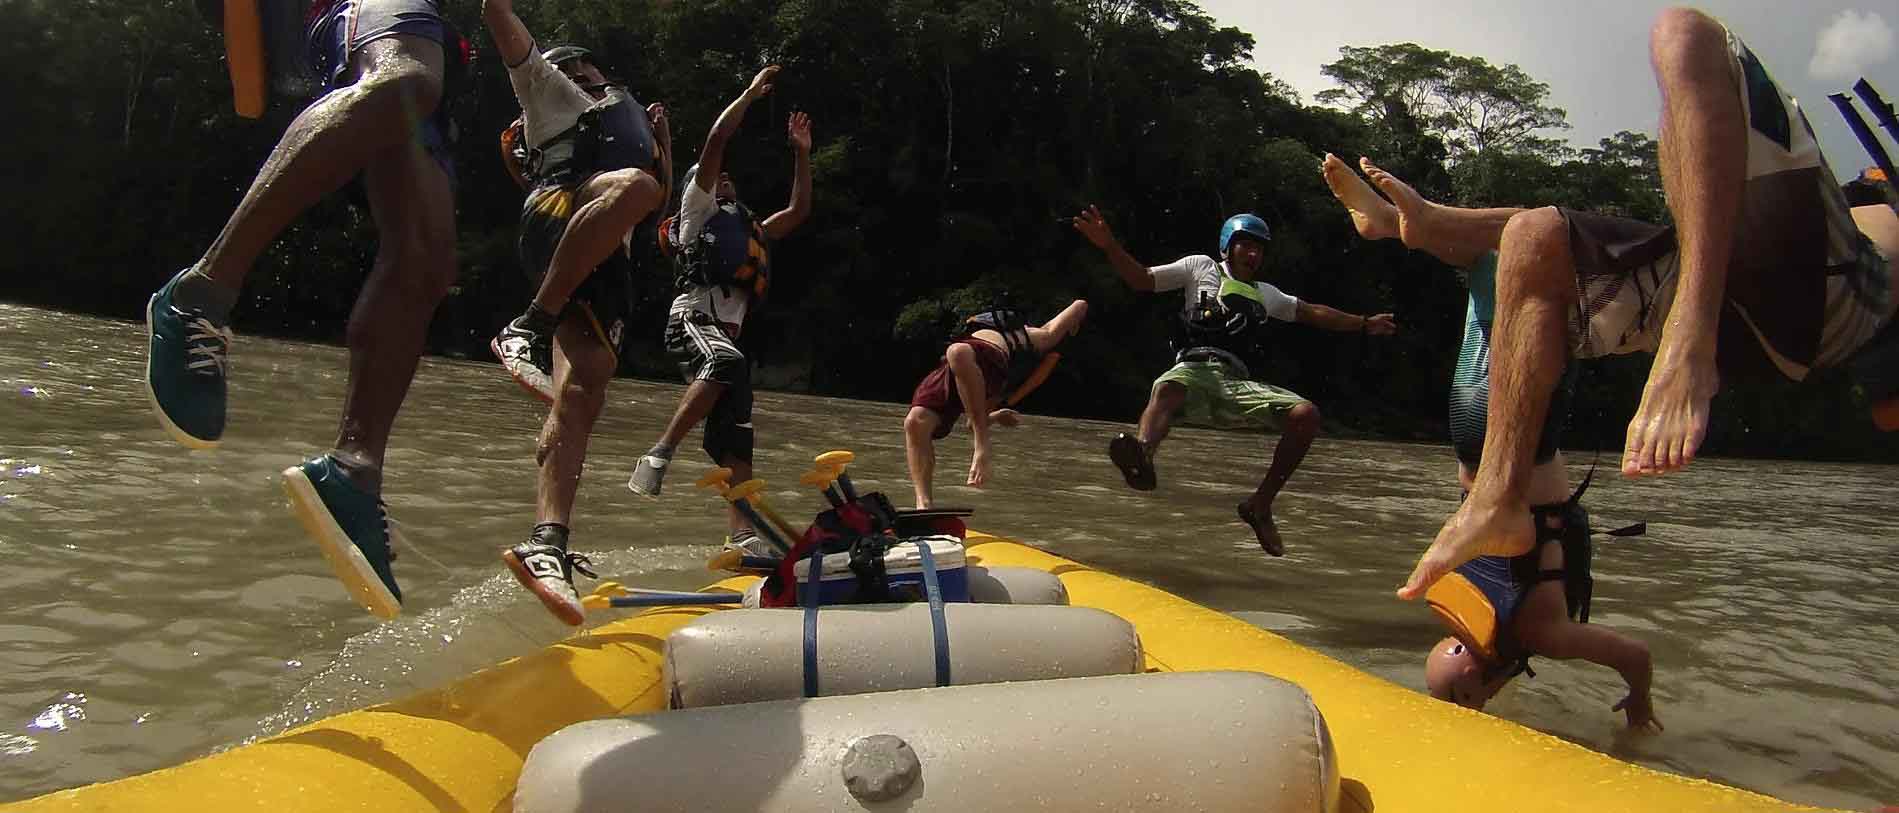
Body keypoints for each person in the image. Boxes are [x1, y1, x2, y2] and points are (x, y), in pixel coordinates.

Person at [1397, 8, 1899, 602]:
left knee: (1685, 32)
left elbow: (1888, 412)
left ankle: (1687, 343)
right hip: (1747, 302)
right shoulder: (1829, 198)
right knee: (1531, 240)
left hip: (1827, 303)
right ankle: (1496, 502)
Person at [143, 0, 469, 620]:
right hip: (375, 15)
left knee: (427, 261)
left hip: (424, 44)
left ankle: (354, 473)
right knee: (405, 81)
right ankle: (200, 293)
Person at [1320, 154, 1658, 730]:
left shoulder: (1541, 635)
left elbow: (1637, 657)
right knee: (1497, 282)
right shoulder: (1451, 601)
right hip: (1468, 435)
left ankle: (1411, 224)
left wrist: (1640, 702)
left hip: (1521, 436)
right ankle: (1393, 226)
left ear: (1481, 684)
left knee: (1550, 247)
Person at [482, 0, 670, 624]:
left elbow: (659, 195)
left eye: (590, 64)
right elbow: (501, 23)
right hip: (560, 220)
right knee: (636, 188)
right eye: (578, 64)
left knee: (584, 389)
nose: (588, 70)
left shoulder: (627, 116)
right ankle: (527, 325)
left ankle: (547, 543)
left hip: (604, 257)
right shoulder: (549, 90)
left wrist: (662, 140)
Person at [1070, 206, 1397, 555]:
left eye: (1259, 249)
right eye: (1246, 245)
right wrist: (1109, 245)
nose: (1254, 254)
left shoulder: (1266, 293)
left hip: (1235, 382)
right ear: (1228, 246)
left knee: (1307, 415)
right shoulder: (1200, 267)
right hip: (1193, 371)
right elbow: (1142, 279)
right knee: (1168, 386)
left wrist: (1363, 323)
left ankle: (1260, 505)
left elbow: (1313, 312)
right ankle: (1143, 457)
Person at [625, 67, 812, 557]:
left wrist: (802, 155)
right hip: (692, 321)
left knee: (738, 444)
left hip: (725, 337)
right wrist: (750, 95)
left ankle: (743, 538)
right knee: (727, 362)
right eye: (716, 177)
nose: (723, 179)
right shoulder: (697, 210)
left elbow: (798, 211)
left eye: (728, 179)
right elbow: (716, 139)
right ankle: (659, 453)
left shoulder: (749, 225)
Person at [903, 300, 1089, 508]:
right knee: (915, 422)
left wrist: (1072, 325)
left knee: (958, 352)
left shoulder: (1032, 336)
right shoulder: (972, 338)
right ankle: (923, 504)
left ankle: (982, 448)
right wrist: (996, 416)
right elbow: (972, 423)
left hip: (980, 363)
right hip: (953, 370)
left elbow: (1080, 304)